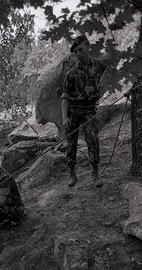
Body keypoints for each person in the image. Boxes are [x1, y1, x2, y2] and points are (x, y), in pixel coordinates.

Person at [61, 34, 107, 188]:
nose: (79, 54)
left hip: (89, 110)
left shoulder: (99, 66)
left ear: (88, 47)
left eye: (81, 49)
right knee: (71, 144)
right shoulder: (71, 73)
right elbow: (65, 96)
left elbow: (112, 75)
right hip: (73, 111)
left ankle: (95, 173)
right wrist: (64, 117)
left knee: (93, 140)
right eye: (76, 52)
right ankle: (72, 173)